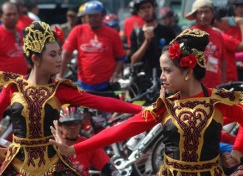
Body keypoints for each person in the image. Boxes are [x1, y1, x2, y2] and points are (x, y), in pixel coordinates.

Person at [50, 28, 243, 176]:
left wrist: (238, 151)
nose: (162, 77)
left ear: (188, 71)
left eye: (167, 71)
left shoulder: (217, 101)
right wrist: (75, 149)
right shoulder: (164, 106)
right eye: (161, 71)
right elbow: (120, 130)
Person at [0, 21, 142, 175]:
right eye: (53, 55)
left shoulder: (60, 90)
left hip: (52, 167)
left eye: (59, 53)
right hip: (17, 168)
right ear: (35, 59)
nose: (60, 59)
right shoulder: (14, 87)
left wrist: (141, 109)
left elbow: (101, 102)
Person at [57, 0, 126, 92]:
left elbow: (120, 58)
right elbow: (65, 53)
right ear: (85, 17)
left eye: (95, 15)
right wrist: (60, 75)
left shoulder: (113, 34)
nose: (93, 19)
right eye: (90, 16)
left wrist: (115, 74)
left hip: (107, 84)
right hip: (83, 84)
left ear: (102, 15)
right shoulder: (78, 31)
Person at [58, 106, 120, 176]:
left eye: (75, 123)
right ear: (60, 126)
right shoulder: (53, 146)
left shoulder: (87, 144)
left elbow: (108, 167)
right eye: (68, 123)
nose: (72, 127)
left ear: (81, 124)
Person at [130, 0, 175, 84]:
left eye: (148, 7)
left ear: (154, 9)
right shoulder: (136, 33)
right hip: (142, 81)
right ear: (139, 13)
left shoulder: (167, 31)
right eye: (142, 8)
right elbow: (133, 60)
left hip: (164, 79)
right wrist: (146, 42)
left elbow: (174, 56)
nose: (146, 10)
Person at [185, 0, 227, 88]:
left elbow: (223, 60)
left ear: (212, 14)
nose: (203, 16)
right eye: (200, 12)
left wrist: (223, 83)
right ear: (195, 15)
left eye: (207, 12)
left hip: (215, 87)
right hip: (194, 88)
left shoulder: (218, 35)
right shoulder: (188, 34)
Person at [213, 6, 243, 82]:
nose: (230, 22)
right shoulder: (222, 37)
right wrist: (242, 25)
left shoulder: (214, 34)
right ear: (217, 22)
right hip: (228, 80)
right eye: (228, 19)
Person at [0, 2, 29, 75]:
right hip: (4, 83)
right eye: (8, 15)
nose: (12, 17)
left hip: (22, 82)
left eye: (15, 14)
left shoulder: (22, 32)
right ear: (1, 16)